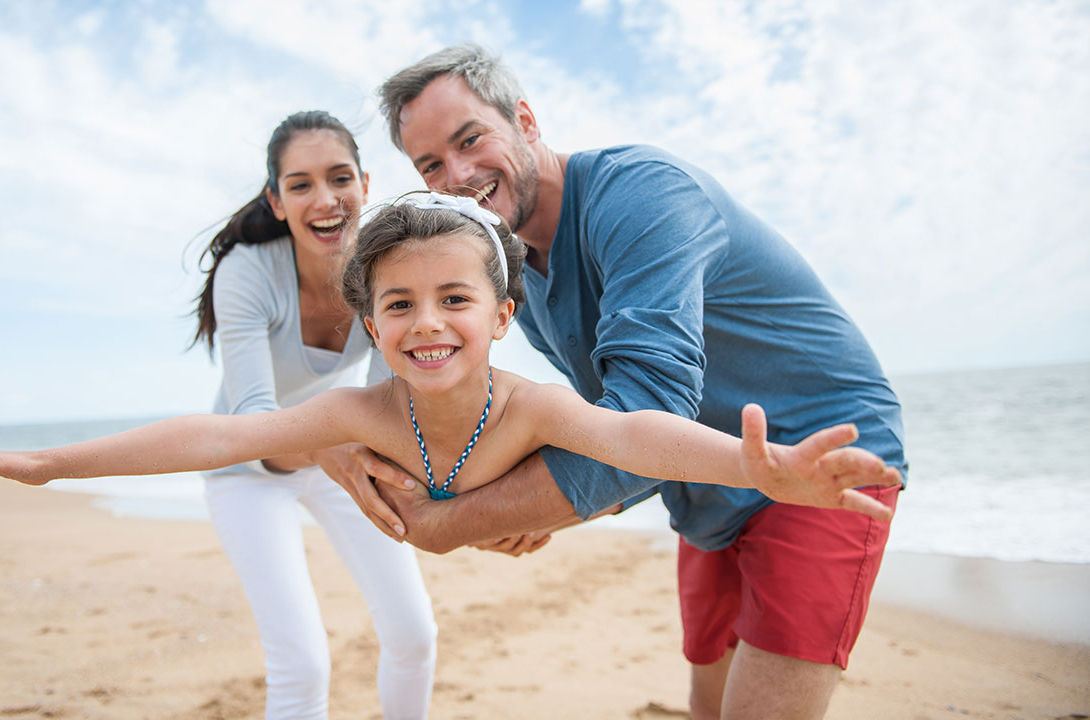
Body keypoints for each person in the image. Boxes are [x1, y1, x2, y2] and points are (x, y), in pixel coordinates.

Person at [366, 45, 909, 720]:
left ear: (526, 120)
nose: (459, 174)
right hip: (704, 480)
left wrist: (451, 522)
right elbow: (611, 422)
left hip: (812, 459)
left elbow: (646, 405)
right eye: (430, 166)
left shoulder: (641, 192)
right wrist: (551, 507)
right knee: (705, 699)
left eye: (470, 139)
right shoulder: (514, 274)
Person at [0, 197, 900, 545]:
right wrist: (48, 465)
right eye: (397, 304)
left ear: (502, 315)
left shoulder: (534, 407)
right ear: (369, 321)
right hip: (391, 509)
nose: (426, 323)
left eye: (453, 299)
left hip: (502, 516)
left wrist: (751, 466)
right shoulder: (358, 411)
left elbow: (631, 433)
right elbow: (219, 434)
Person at [179, 111, 438, 720]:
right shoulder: (248, 272)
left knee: (415, 634)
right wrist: (332, 449)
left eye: (339, 177)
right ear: (276, 200)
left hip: (335, 455)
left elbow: (390, 407)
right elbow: (252, 423)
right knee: (302, 664)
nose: (325, 200)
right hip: (244, 464)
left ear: (366, 184)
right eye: (300, 184)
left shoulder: (382, 272)